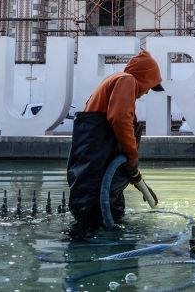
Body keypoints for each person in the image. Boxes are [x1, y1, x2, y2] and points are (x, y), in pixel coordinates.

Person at [67, 49, 164, 229]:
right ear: (143, 77)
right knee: (103, 225)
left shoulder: (113, 81)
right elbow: (120, 119)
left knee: (90, 225)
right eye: (150, 86)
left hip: (92, 176)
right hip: (98, 178)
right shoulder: (127, 80)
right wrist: (133, 156)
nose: (148, 92)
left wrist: (138, 181)